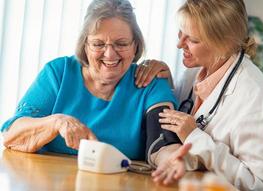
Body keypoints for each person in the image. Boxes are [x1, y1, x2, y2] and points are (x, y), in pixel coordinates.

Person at [135, 0, 263, 191]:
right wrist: (164, 85)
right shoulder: (194, 74)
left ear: (224, 44)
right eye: (181, 32)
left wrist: (196, 139)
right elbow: (175, 127)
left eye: (193, 40)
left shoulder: (257, 100)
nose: (179, 44)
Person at [0, 0, 181, 164]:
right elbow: (11, 136)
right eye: (98, 44)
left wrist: (175, 160)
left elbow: (162, 145)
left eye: (122, 43)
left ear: (135, 45)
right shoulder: (59, 72)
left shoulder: (150, 80)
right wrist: (57, 122)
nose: (110, 54)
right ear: (85, 45)